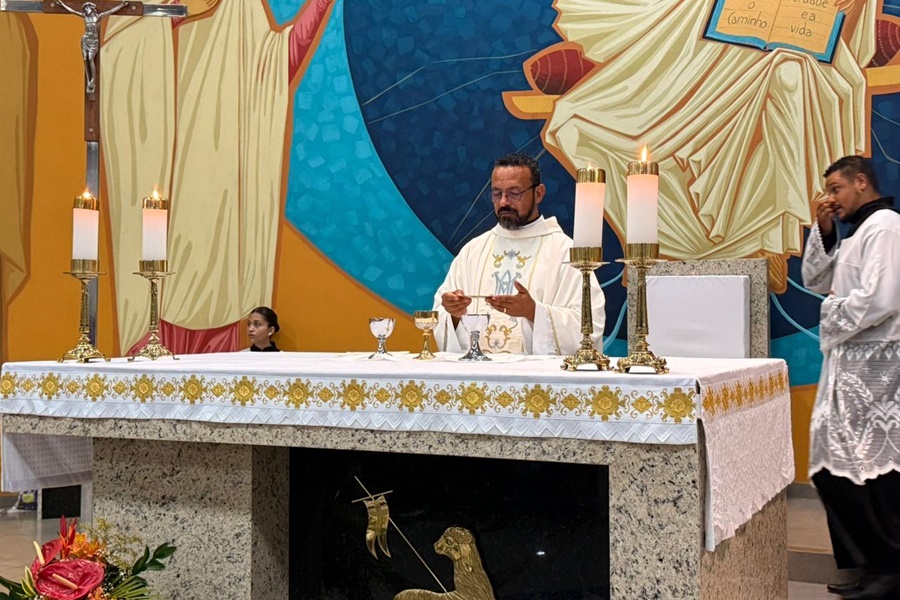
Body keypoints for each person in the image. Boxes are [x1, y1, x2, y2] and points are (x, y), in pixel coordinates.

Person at [543, 0, 877, 293]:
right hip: (706, 42)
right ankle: (665, 242)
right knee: (580, 123)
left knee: (790, 78)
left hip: (794, 43)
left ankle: (757, 237)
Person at [99, 0, 333, 354]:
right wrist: (169, 20)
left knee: (221, 302)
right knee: (162, 305)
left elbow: (272, 64)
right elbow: (120, 50)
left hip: (227, 202)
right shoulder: (158, 12)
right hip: (170, 182)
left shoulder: (241, 11)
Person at [802, 156, 900, 599]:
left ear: (861, 182)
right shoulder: (858, 231)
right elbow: (815, 279)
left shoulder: (886, 227)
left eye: (836, 189)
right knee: (835, 467)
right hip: (850, 363)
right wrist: (824, 231)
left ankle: (889, 569)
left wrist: (831, 310)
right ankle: (870, 563)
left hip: (877, 366)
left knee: (873, 471)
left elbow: (882, 298)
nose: (830, 198)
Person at [433, 152, 605, 355]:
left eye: (514, 193)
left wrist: (533, 312)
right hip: (479, 373)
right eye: (497, 193)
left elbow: (589, 324)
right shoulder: (474, 250)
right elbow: (440, 315)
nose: (503, 202)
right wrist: (453, 313)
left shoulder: (565, 252)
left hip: (536, 375)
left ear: (538, 193)